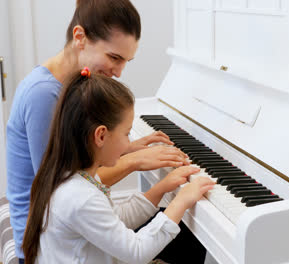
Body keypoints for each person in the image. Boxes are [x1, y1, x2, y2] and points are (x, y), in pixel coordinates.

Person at [5, 0, 189, 261]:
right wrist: (132, 160)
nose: (119, 71)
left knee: (175, 235)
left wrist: (127, 147)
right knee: (179, 241)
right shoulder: (44, 94)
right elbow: (60, 180)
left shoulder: (69, 84)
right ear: (80, 37)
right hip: (38, 244)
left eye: (126, 61)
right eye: (114, 57)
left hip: (59, 231)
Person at [22, 71, 215, 264]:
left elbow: (115, 219)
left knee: (183, 232)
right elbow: (137, 252)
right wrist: (181, 201)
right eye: (126, 133)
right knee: (186, 235)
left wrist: (160, 189)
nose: (129, 142)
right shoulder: (79, 197)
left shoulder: (73, 175)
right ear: (101, 136)